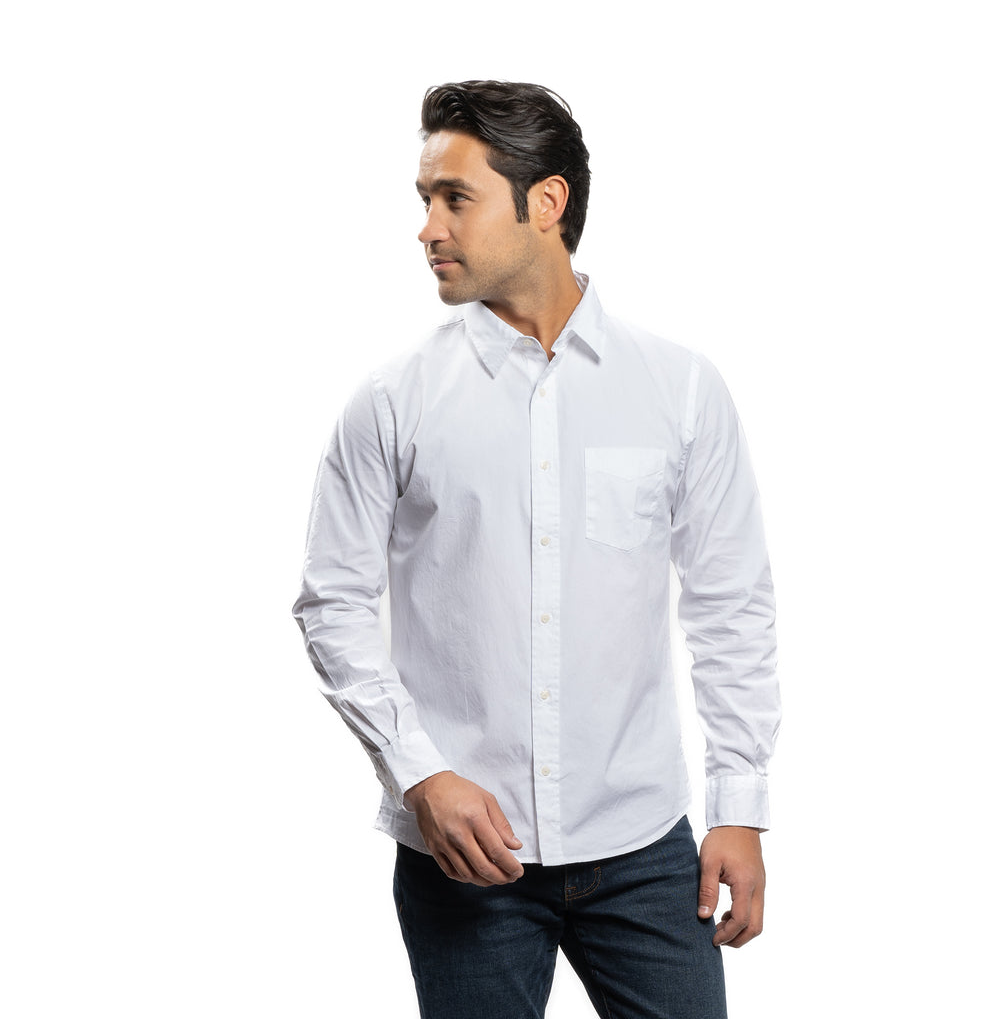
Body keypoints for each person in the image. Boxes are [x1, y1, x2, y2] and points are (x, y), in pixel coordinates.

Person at [293, 80, 781, 1019]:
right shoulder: (393, 401)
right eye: (425, 199)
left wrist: (740, 808)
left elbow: (732, 603)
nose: (428, 228)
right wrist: (419, 774)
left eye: (455, 198)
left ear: (546, 202)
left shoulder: (679, 388)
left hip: (643, 846)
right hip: (462, 858)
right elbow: (331, 604)